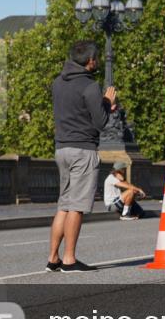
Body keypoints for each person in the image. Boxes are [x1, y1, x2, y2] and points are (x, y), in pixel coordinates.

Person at [48, 40, 116, 273]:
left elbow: (75, 111)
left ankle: (53, 258)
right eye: (96, 58)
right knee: (76, 207)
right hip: (83, 149)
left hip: (62, 148)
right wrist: (107, 102)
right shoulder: (90, 86)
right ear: (90, 61)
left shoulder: (58, 82)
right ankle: (69, 260)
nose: (97, 61)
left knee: (64, 205)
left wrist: (100, 105)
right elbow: (101, 122)